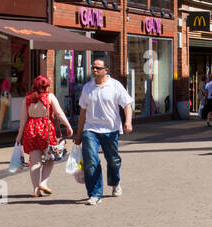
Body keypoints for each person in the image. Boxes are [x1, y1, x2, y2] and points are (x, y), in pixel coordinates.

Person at [74, 58, 132, 206]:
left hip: (110, 129)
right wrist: (79, 133)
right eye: (93, 68)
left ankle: (114, 182)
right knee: (91, 162)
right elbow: (82, 113)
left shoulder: (115, 86)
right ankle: (94, 194)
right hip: (91, 129)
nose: (94, 70)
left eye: (98, 68)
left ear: (106, 70)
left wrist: (128, 121)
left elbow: (127, 104)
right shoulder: (88, 87)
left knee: (113, 161)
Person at [17, 75, 73, 198]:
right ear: (46, 86)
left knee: (35, 162)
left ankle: (36, 190)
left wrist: (19, 136)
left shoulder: (27, 99)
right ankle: (43, 182)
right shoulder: (49, 97)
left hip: (31, 130)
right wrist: (68, 126)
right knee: (50, 158)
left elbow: (23, 120)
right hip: (46, 130)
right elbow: (59, 113)